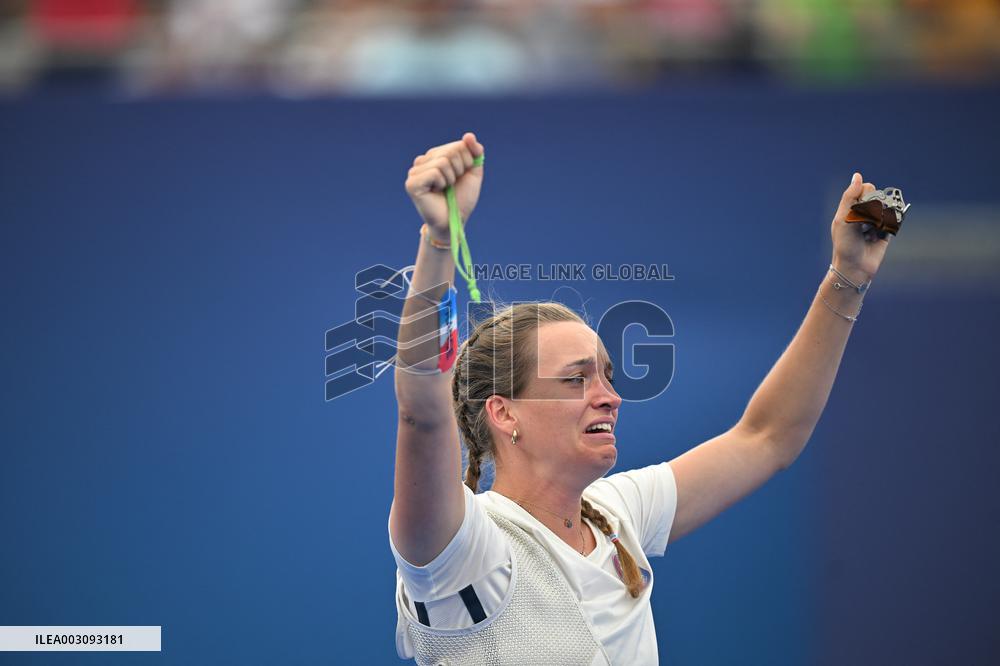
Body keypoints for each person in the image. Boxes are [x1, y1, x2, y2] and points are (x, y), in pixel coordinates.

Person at [388, 132, 891, 665]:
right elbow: (422, 409)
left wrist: (847, 277)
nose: (609, 398)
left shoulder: (617, 512)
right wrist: (439, 240)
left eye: (607, 376)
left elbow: (768, 437)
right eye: (575, 379)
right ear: (504, 412)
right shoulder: (460, 549)